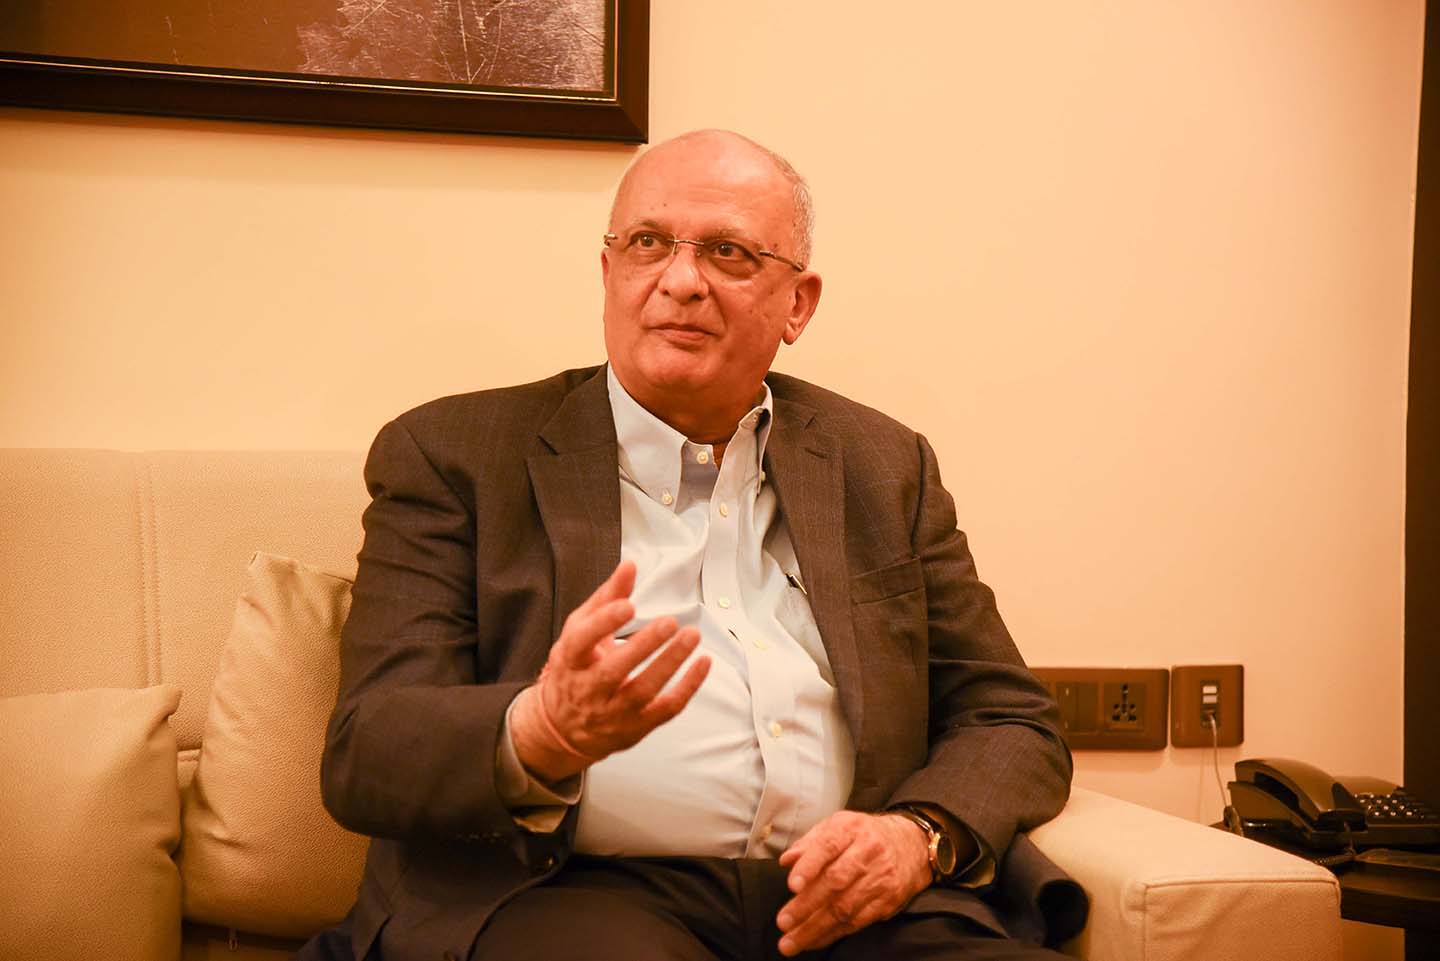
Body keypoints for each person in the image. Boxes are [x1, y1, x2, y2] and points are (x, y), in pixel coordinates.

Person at [304, 129, 1082, 961]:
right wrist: (539, 730)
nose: (680, 281)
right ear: (609, 273)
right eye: (648, 243)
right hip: (567, 896)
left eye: (727, 252)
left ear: (798, 304)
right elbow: (368, 748)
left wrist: (915, 835)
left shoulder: (883, 465)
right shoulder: (456, 454)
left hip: (850, 906)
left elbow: (1010, 717)